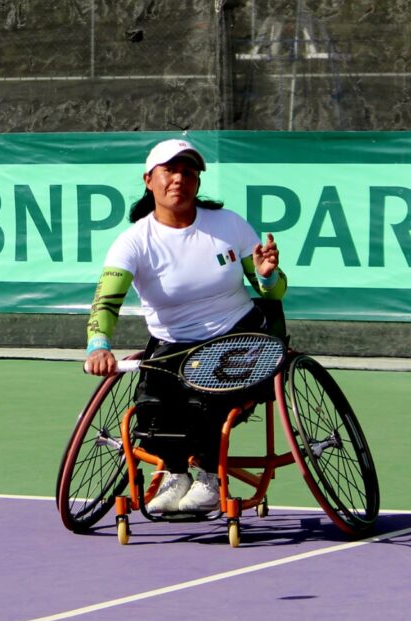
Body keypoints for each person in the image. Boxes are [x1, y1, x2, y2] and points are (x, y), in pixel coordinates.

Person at [84, 138, 287, 514]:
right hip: (173, 346)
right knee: (151, 405)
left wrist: (266, 276)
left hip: (238, 335)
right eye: (170, 171)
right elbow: (106, 302)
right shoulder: (133, 242)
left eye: (188, 172)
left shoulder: (228, 225)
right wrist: (98, 345)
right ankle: (175, 473)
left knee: (205, 401)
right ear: (149, 180)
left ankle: (209, 475)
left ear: (197, 182)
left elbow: (272, 293)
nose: (179, 178)